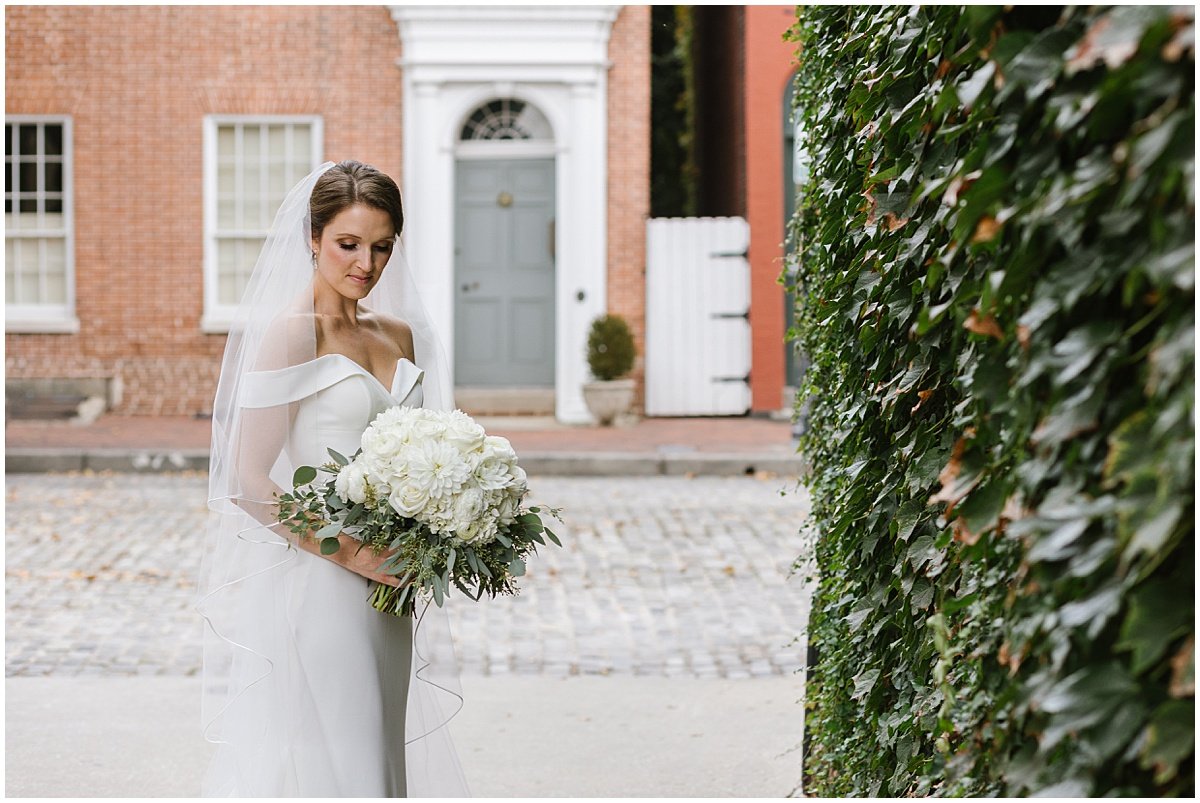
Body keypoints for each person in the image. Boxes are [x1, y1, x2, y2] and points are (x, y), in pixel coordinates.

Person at [196, 160, 469, 796]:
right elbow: (247, 479)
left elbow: (429, 450)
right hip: (324, 580)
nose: (365, 265)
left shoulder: (400, 333)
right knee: (343, 766)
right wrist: (353, 553)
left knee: (379, 751)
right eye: (348, 245)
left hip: (394, 585)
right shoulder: (294, 335)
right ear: (313, 239)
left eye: (381, 247)